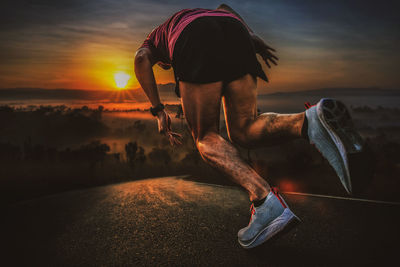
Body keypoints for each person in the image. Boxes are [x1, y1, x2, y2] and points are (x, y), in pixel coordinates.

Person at [134, 4, 364, 249]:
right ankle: (309, 121)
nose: (167, 66)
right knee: (245, 126)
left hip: (194, 35)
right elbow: (225, 7)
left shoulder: (153, 40)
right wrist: (251, 36)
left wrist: (159, 111)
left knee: (205, 138)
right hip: (234, 29)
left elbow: (140, 59)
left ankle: (264, 201)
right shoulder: (198, 14)